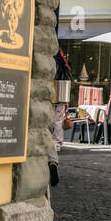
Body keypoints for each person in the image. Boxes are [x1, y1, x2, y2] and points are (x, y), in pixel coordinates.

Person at [49, 44, 73, 187]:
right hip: (61, 94)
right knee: (57, 121)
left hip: (48, 92)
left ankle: (52, 156)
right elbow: (68, 72)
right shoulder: (61, 57)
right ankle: (54, 155)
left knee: (44, 127)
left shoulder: (47, 55)